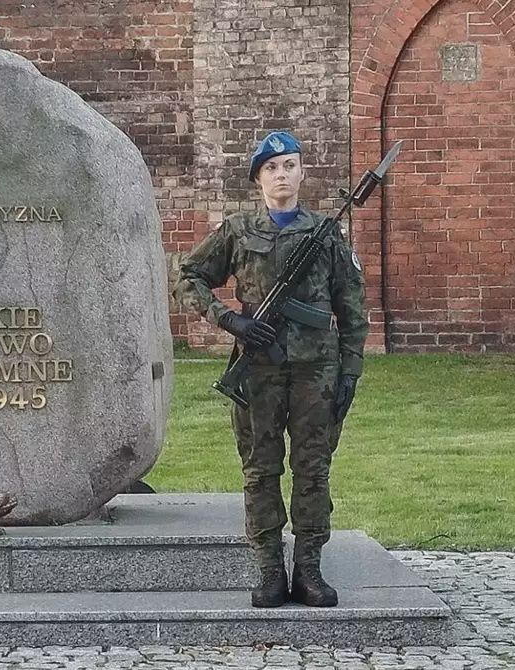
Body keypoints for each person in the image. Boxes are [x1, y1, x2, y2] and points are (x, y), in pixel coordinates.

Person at [176, 131, 367, 608]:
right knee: (260, 471)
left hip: (316, 372)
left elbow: (352, 305)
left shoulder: (326, 234)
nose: (281, 174)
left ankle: (309, 570)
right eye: (271, 168)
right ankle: (267, 570)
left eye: (289, 165)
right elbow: (188, 275)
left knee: (313, 471)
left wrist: (350, 371)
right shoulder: (239, 231)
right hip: (258, 368)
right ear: (258, 179)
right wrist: (229, 319)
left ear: (302, 172)